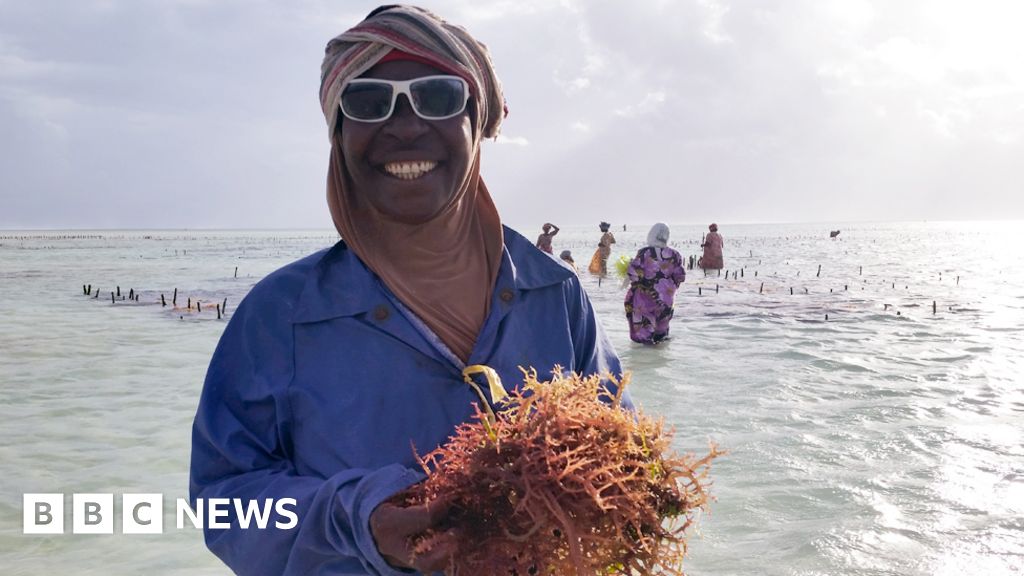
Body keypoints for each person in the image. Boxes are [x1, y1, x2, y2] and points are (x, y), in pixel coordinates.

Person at [189, 6, 628, 576]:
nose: (404, 126)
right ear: (340, 136)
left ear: (477, 121)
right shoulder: (280, 318)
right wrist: (356, 519)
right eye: (369, 102)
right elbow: (225, 505)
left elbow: (618, 453)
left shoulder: (555, 294)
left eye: (438, 97)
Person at [624, 223, 686, 344]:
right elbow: (681, 276)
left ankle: (647, 361)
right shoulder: (675, 254)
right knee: (661, 337)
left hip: (644, 300)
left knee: (644, 337)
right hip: (666, 301)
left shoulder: (644, 253)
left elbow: (633, 273)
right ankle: (661, 361)